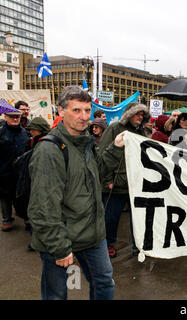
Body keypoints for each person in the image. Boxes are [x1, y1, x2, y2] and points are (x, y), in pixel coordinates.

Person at [28, 86, 125, 300]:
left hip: (92, 234)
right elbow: (43, 207)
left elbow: (97, 171)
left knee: (104, 283)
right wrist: (59, 247)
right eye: (76, 110)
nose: (84, 117)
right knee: (57, 294)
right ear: (61, 112)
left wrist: (116, 147)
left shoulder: (86, 142)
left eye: (87, 110)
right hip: (61, 238)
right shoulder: (49, 150)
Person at [98, 102, 149, 259]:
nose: (140, 117)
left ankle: (138, 245)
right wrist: (107, 180)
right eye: (137, 114)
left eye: (142, 115)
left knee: (138, 217)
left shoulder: (142, 132)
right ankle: (107, 244)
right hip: (115, 183)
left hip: (134, 183)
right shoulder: (114, 128)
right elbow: (103, 154)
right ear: (129, 115)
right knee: (111, 217)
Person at [0, 110, 29, 232]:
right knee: (5, 197)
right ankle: (7, 220)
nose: (15, 119)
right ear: (5, 117)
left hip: (20, 172)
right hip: (4, 171)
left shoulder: (24, 132)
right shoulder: (1, 132)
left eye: (17, 117)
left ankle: (27, 220)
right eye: (12, 117)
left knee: (22, 196)